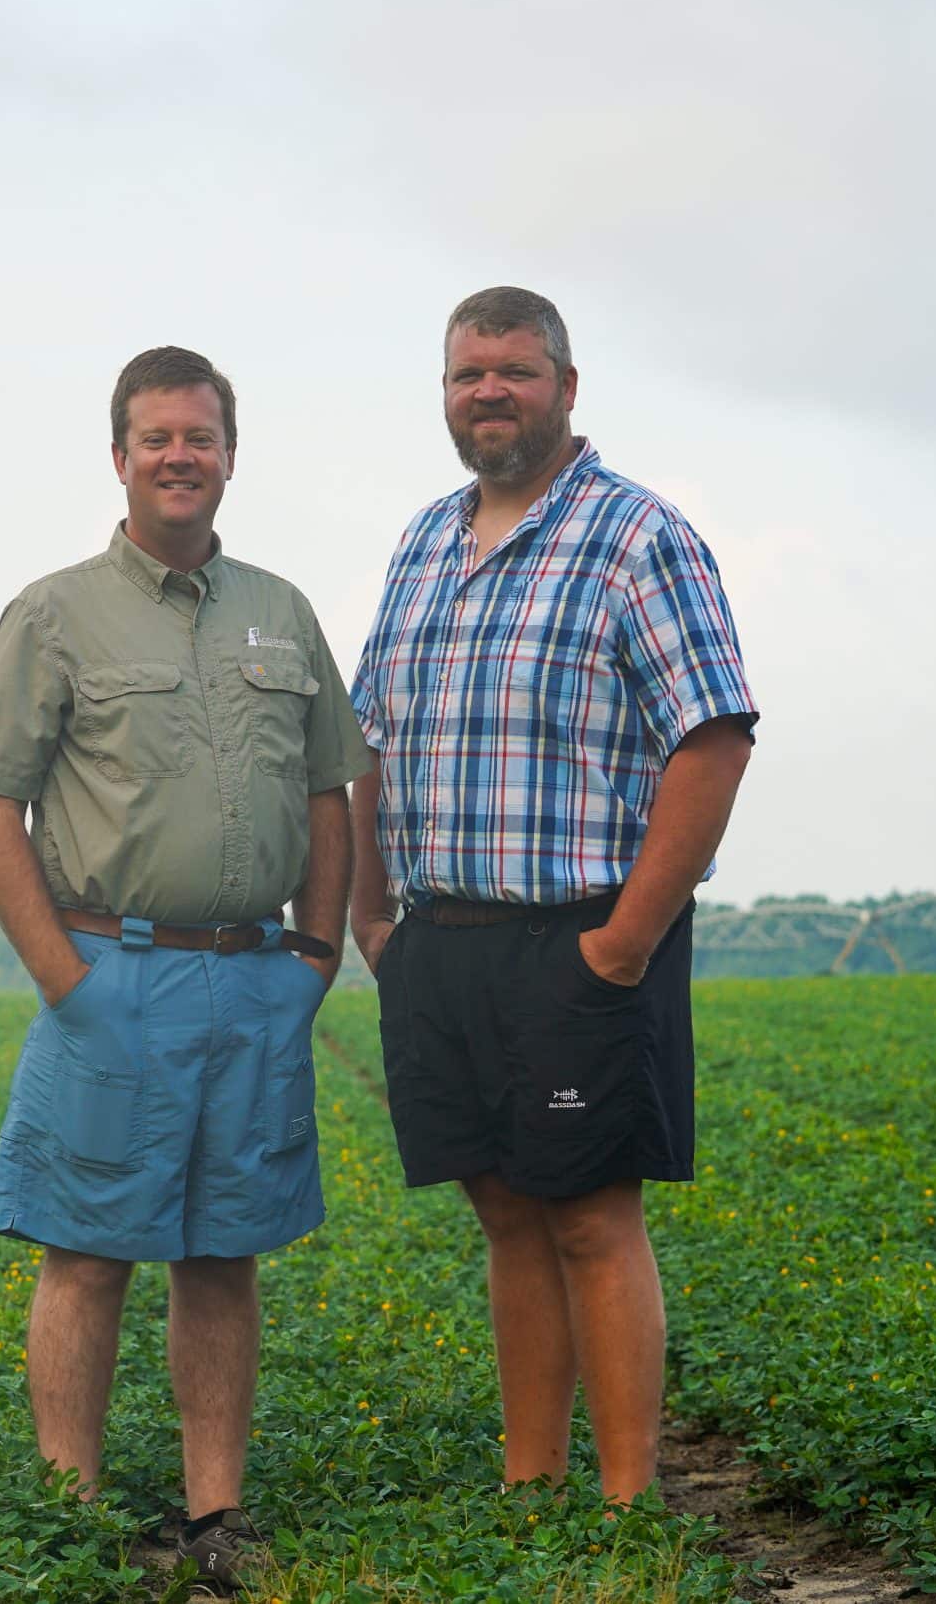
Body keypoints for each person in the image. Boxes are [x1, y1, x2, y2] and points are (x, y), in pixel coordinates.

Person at [0, 345, 370, 1590]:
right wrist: (62, 981)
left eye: (200, 438)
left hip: (256, 978)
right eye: (155, 439)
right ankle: (67, 1513)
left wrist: (314, 950)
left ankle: (213, 1517)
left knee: (221, 1251)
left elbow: (332, 788)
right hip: (110, 971)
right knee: (84, 1251)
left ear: (229, 454)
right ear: (119, 456)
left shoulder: (280, 612)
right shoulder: (54, 613)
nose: (178, 458)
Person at [346, 288, 757, 1503]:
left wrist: (625, 943)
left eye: (515, 371)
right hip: (444, 940)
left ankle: (627, 1502)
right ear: (444, 391)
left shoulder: (640, 538)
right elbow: (371, 742)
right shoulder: (423, 540)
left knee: (587, 1217)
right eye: (468, 373)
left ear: (566, 387)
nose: (490, 393)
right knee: (506, 1219)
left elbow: (712, 738)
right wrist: (375, 919)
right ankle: (532, 1490)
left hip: (579, 938)